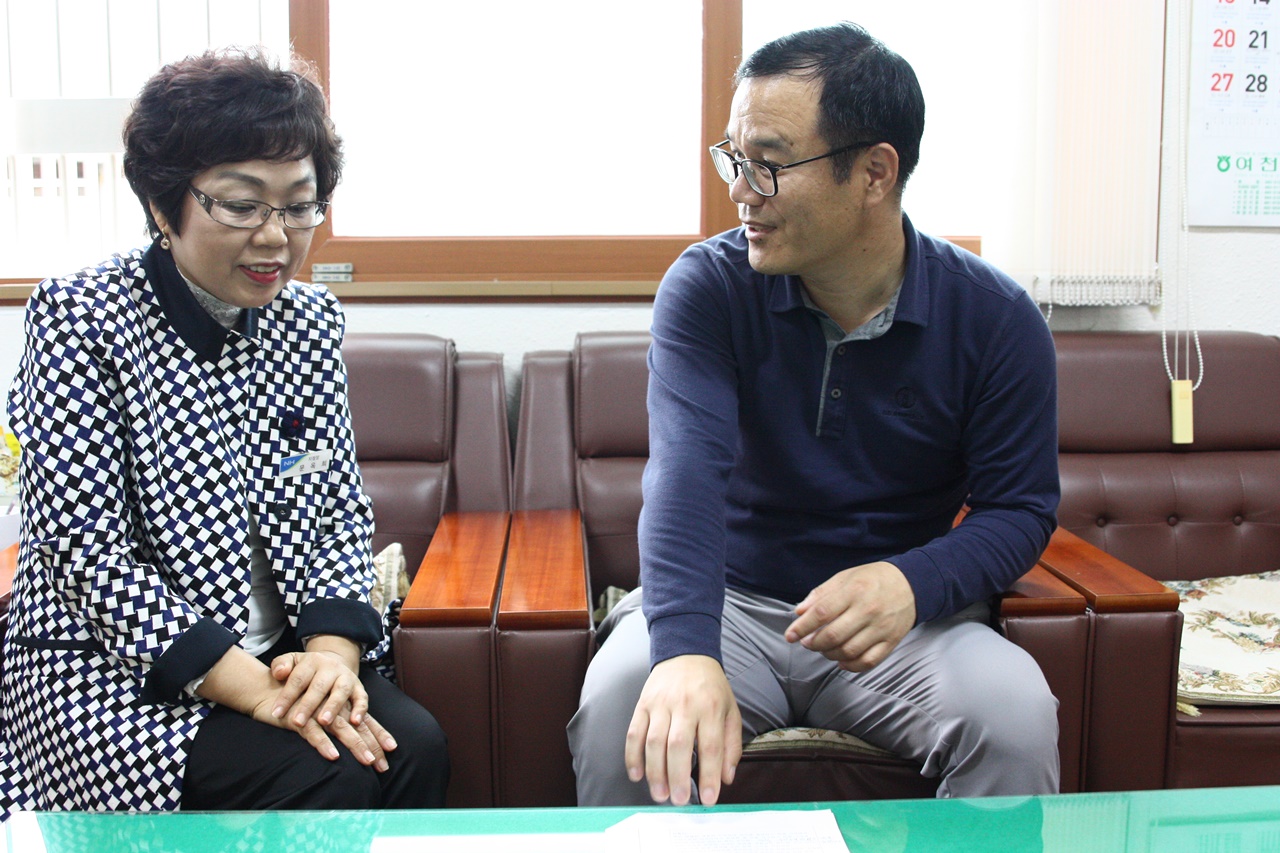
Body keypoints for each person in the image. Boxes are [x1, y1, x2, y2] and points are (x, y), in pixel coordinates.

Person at [568, 22, 1060, 806]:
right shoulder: (709, 288)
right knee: (624, 700)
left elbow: (1021, 507)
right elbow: (686, 473)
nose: (739, 189)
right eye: (735, 158)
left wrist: (913, 581)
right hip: (731, 601)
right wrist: (687, 650)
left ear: (873, 172)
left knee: (1014, 716)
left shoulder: (996, 319)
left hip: (901, 623)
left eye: (767, 163)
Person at [0, 48, 448, 816]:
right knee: (326, 775)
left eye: (299, 204)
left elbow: (337, 510)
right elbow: (84, 553)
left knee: (415, 747)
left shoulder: (309, 322)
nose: (277, 236)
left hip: (289, 656)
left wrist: (333, 656)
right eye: (241, 205)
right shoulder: (82, 317)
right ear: (162, 204)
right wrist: (254, 691)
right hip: (115, 677)